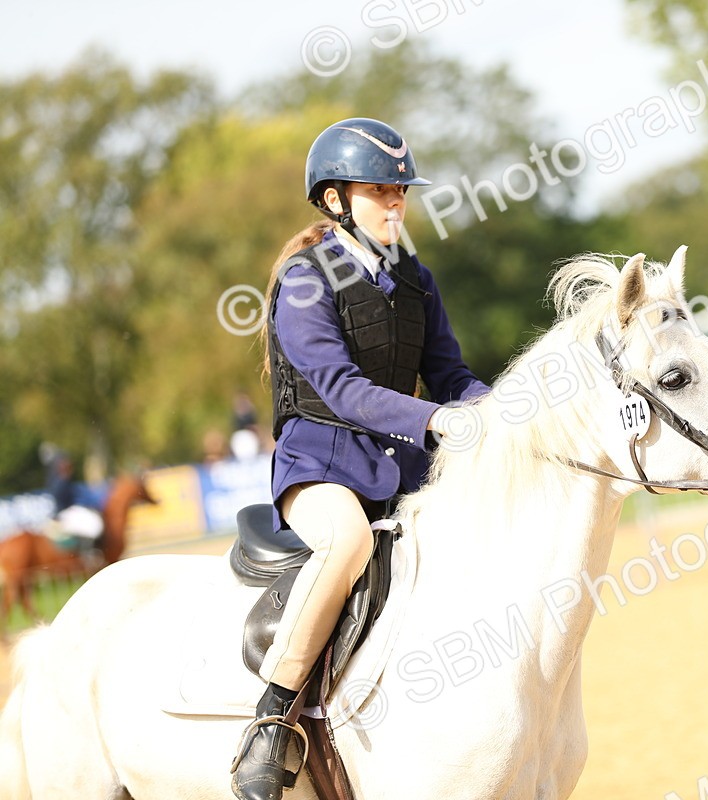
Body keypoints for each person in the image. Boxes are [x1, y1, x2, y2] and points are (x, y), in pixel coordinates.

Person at [230, 118, 490, 800]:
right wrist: (437, 421)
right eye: (381, 191)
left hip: (399, 462)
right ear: (336, 199)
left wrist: (506, 413)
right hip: (318, 464)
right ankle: (272, 718)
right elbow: (341, 391)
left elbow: (452, 376)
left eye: (402, 192)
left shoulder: (418, 280)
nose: (397, 204)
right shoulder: (303, 282)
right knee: (347, 542)